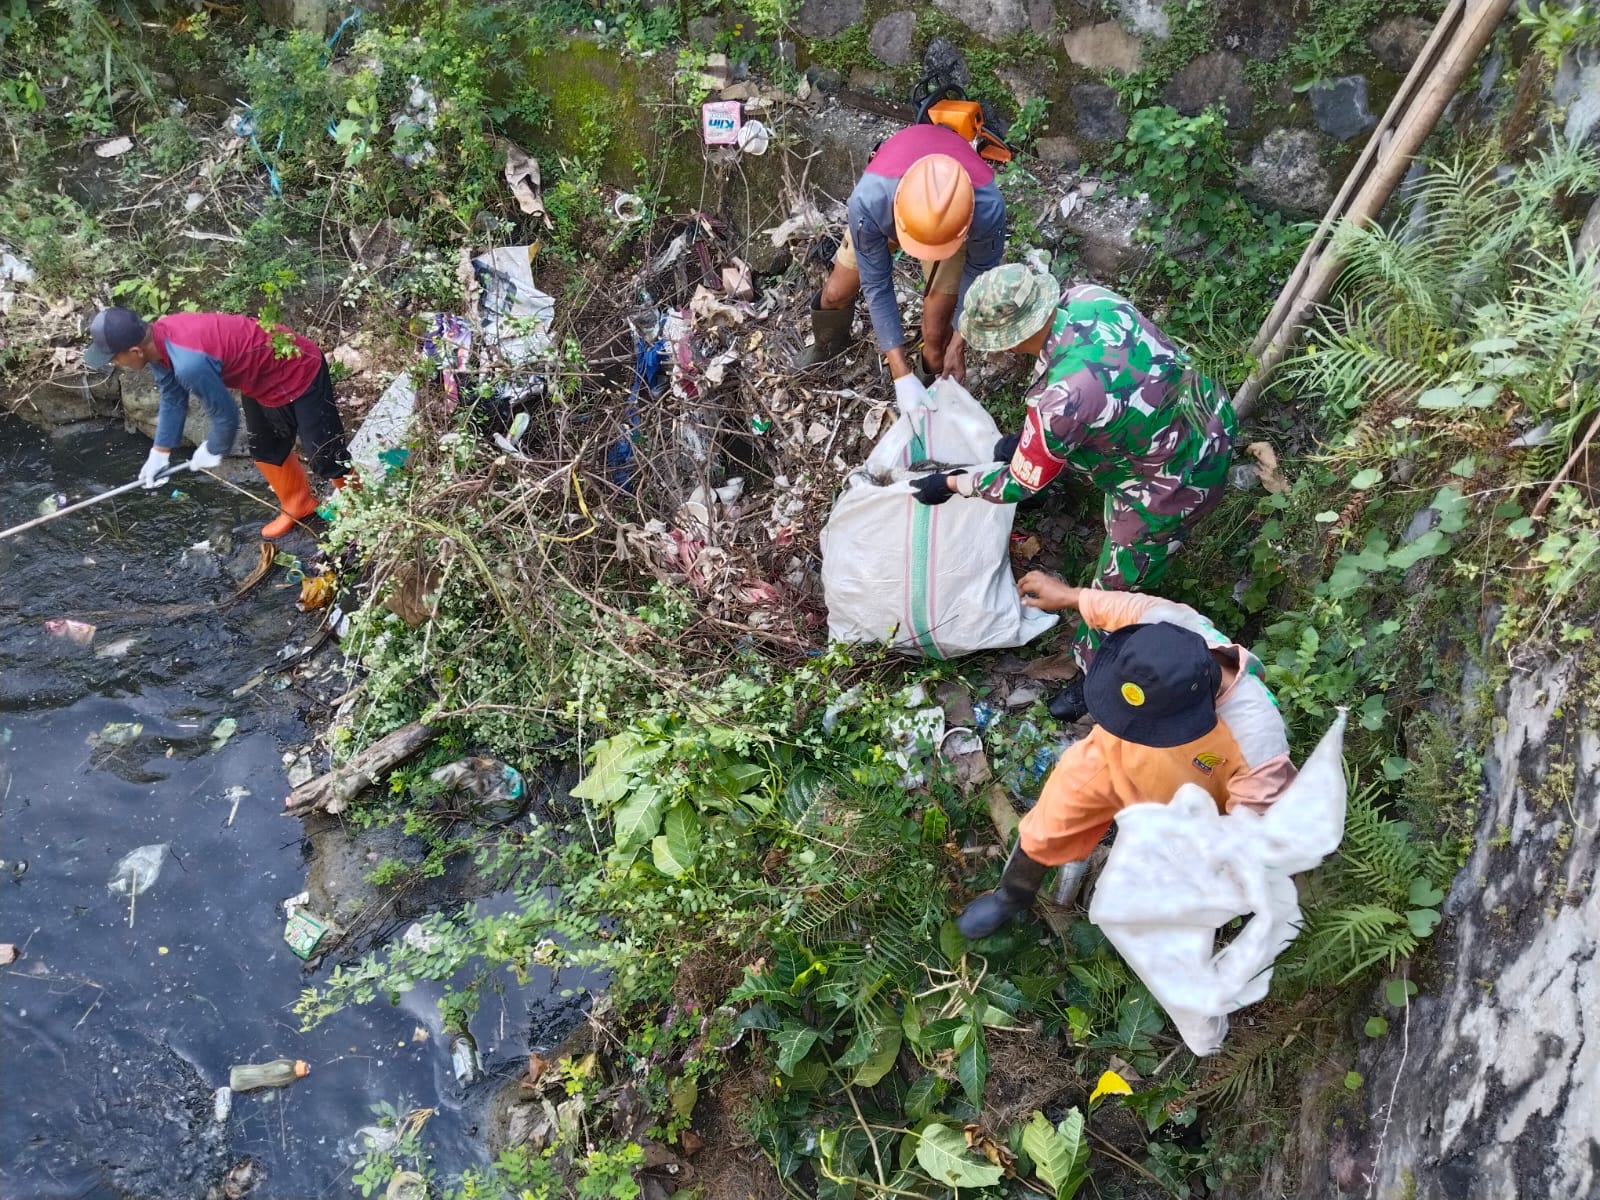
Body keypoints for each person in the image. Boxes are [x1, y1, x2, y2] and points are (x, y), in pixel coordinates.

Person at [909, 265, 1235, 717]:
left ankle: (1094, 673)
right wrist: (1031, 443)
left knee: (1115, 588)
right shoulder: (1088, 297)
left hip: (1173, 485)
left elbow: (1019, 481)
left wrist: (952, 482)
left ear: (1008, 339)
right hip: (1203, 414)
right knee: (1034, 449)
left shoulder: (1061, 400)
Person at [957, 575, 1297, 939]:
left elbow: (1254, 832)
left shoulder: (1255, 740)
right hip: (1110, 757)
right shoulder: (1168, 627)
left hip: (1187, 809)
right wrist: (1071, 596)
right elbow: (1128, 606)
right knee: (1049, 823)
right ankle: (1012, 895)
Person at [85, 307, 351, 538]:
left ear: (134, 351)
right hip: (259, 380)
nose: (114, 363)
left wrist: (212, 449)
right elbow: (173, 398)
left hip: (298, 367)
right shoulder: (156, 345)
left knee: (325, 454)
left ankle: (358, 508)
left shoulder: (189, 362)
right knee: (265, 448)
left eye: (113, 358)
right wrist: (159, 453)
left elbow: (226, 417)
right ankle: (298, 503)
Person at [792, 121, 1005, 396]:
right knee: (834, 294)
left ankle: (929, 386)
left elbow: (978, 273)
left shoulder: (987, 208)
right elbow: (877, 285)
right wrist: (898, 371)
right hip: (887, 209)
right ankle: (828, 345)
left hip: (951, 226)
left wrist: (958, 342)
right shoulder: (868, 202)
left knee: (936, 331)